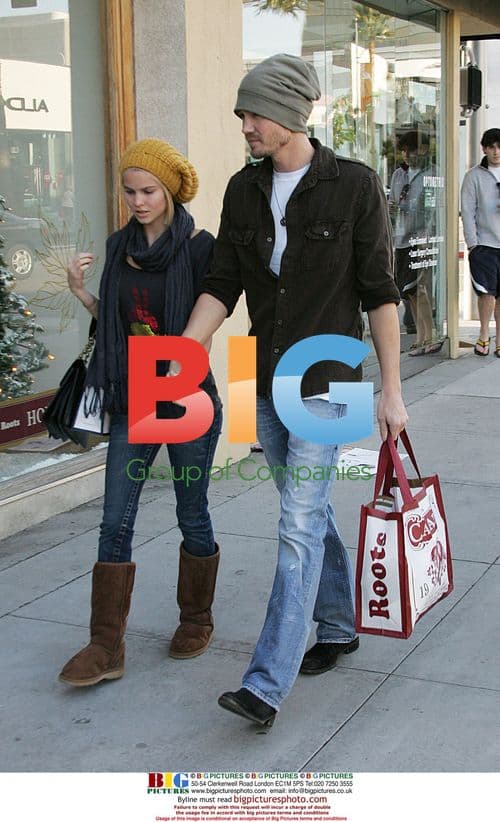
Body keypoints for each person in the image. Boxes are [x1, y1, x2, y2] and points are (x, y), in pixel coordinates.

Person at [181, 54, 408, 727]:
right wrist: (183, 354)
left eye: (252, 114)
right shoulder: (241, 190)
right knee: (305, 511)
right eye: (242, 114)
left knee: (297, 523)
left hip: (329, 371)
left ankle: (266, 682)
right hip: (261, 366)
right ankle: (337, 625)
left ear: (287, 115)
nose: (244, 125)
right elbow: (223, 283)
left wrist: (391, 391)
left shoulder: (354, 185)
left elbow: (380, 292)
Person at [58, 139, 222, 687]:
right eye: (129, 191)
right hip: (133, 395)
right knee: (114, 518)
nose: (138, 200)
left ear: (170, 190)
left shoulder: (200, 248)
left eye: (148, 190)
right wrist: (83, 292)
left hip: (186, 397)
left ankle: (196, 618)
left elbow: (213, 313)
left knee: (190, 510)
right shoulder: (117, 245)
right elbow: (122, 322)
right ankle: (106, 644)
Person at [388, 131, 443, 356]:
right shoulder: (398, 175)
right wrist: (392, 209)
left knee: (421, 289)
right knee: (408, 291)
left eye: (411, 150)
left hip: (422, 239)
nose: (407, 155)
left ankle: (428, 335)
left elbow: (431, 211)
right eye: (404, 150)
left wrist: (403, 210)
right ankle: (420, 336)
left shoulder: (432, 174)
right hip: (401, 239)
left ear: (423, 151)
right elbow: (393, 201)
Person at [461, 127, 500, 357]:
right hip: (484, 245)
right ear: (484, 149)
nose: (496, 152)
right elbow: (467, 211)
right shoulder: (474, 176)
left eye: (499, 147)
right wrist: (472, 244)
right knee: (486, 294)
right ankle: (484, 335)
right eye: (492, 147)